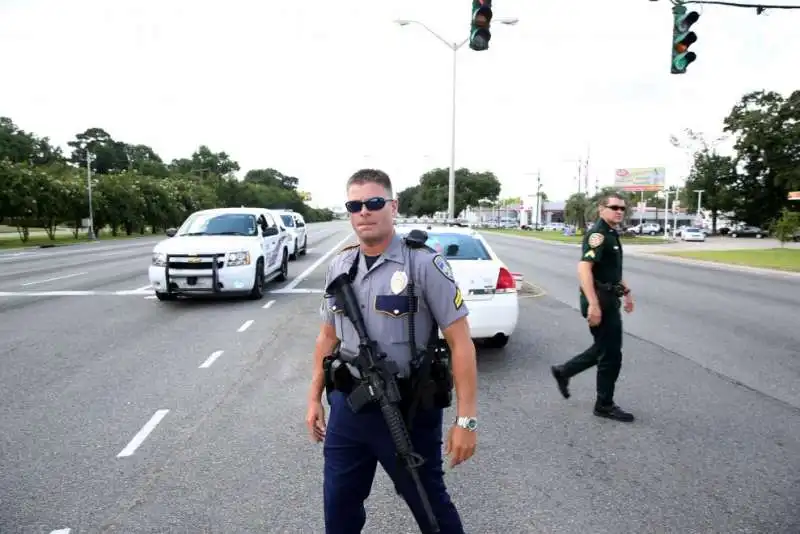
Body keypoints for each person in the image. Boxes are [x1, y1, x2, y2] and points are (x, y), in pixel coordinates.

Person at [304, 168, 478, 533]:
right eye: (355, 205)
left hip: (408, 410)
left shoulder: (424, 264)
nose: (364, 211)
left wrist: (466, 421)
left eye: (374, 202)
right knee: (339, 508)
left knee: (430, 507)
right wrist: (313, 398)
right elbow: (327, 338)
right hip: (349, 412)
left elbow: (461, 342)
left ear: (392, 206)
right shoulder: (341, 266)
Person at [550, 192, 635, 423]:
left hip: (608, 296)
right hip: (599, 299)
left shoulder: (610, 233)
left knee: (605, 349)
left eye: (622, 208)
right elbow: (584, 269)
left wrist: (627, 293)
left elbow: (612, 271)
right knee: (610, 354)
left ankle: (564, 371)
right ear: (601, 209)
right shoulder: (598, 234)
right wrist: (594, 306)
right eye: (614, 207)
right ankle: (604, 404)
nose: (619, 211)